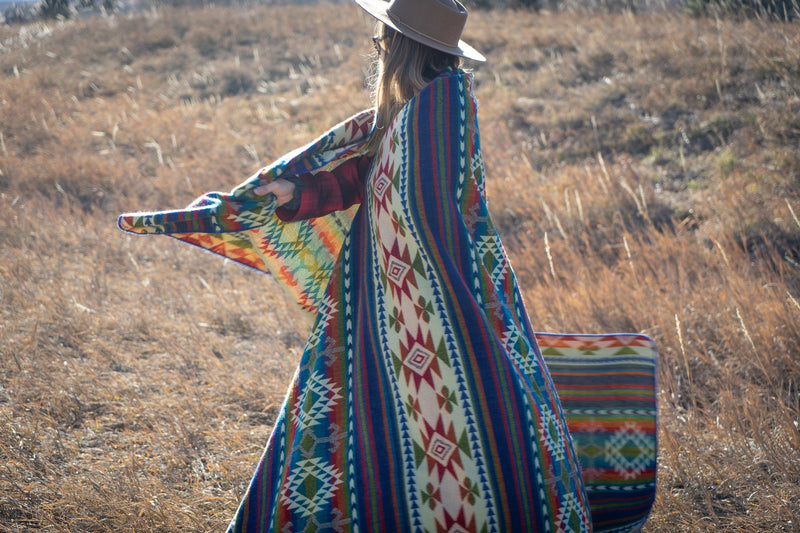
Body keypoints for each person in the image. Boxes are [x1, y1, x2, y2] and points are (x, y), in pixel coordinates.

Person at [119, 0, 594, 530]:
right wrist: (296, 191)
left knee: (466, 402)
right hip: (389, 298)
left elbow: (432, 211)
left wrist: (428, 301)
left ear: (402, 47)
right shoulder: (409, 112)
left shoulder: (444, 106)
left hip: (432, 297)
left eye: (383, 38)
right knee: (390, 412)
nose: (379, 45)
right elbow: (366, 177)